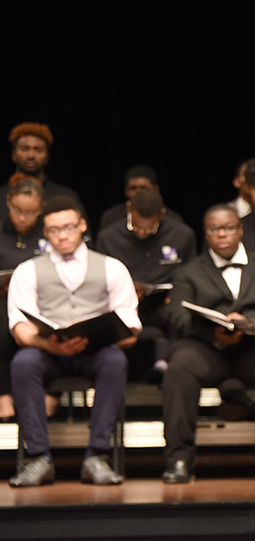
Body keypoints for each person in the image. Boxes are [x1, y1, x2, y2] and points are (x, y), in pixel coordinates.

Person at [7, 196, 141, 486]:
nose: (62, 235)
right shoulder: (27, 270)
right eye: (54, 230)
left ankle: (96, 456)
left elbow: (130, 326)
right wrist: (49, 345)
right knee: (24, 362)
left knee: (115, 361)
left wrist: (101, 337)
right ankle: (39, 457)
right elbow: (20, 329)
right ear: (45, 232)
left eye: (68, 227)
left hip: (95, 352)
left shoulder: (112, 267)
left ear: (82, 226)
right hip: (49, 352)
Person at [161, 205, 255, 483]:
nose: (222, 234)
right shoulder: (187, 273)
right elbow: (178, 318)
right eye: (214, 229)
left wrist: (248, 321)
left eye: (228, 227)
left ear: (240, 230)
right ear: (205, 234)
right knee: (179, 365)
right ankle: (179, 459)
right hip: (208, 349)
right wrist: (214, 333)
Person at [95, 189, 197, 381]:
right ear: (128, 209)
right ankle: (115, 374)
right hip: (124, 303)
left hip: (164, 303)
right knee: (109, 319)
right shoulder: (108, 237)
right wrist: (125, 289)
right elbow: (101, 279)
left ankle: (170, 365)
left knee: (182, 315)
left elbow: (192, 274)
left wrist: (177, 293)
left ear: (162, 214)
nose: (142, 233)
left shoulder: (182, 234)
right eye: (136, 227)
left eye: (148, 229)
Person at [0, 175, 49, 420]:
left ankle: (50, 392)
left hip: (45, 304)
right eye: (17, 210)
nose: (22, 217)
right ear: (8, 202)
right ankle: (3, 392)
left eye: (30, 212)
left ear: (41, 209)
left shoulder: (51, 235)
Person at [3, 123, 88, 226]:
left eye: (38, 149)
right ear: (14, 154)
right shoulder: (1, 196)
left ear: (47, 156)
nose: (31, 155)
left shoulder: (65, 197)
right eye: (25, 149)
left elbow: (82, 238)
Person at [99, 165, 184, 231]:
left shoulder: (173, 220)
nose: (138, 193)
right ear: (126, 191)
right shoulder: (111, 218)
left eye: (144, 188)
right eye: (133, 188)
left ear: (156, 189)